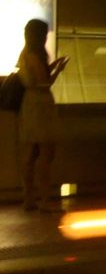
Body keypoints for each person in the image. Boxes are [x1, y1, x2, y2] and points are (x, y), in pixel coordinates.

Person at [17, 19, 67, 211]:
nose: (46, 37)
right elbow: (44, 83)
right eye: (44, 34)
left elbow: (36, 77)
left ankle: (28, 198)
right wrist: (58, 71)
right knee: (46, 154)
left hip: (30, 105)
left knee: (30, 154)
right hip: (40, 106)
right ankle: (45, 200)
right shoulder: (34, 55)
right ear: (39, 35)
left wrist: (53, 64)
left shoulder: (25, 54)